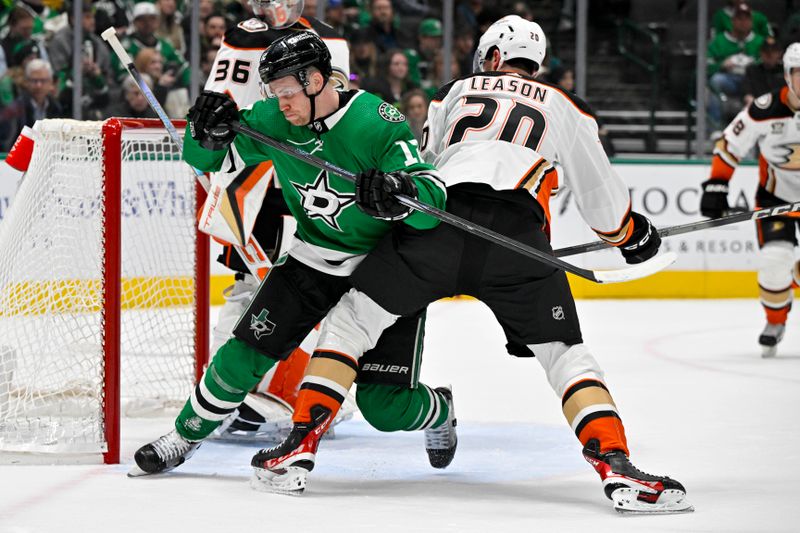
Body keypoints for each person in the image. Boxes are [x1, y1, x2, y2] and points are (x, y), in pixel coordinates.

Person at [256, 15, 693, 514]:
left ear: (489, 58)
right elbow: (607, 212)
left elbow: (422, 168)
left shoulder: (453, 92)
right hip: (515, 236)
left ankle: (296, 450)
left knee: (352, 322)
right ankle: (617, 466)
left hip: (438, 223)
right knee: (565, 354)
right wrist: (635, 237)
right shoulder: (565, 105)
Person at [132, 33, 453, 489]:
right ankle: (183, 437)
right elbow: (204, 160)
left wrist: (401, 194)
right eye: (273, 93)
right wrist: (205, 132)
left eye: (286, 92)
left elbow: (433, 197)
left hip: (384, 269)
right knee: (243, 355)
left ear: (317, 79)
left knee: (385, 407)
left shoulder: (376, 121)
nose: (279, 104)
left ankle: (440, 409)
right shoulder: (273, 119)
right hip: (312, 257)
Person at [199, 0, 351, 441]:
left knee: (317, 292)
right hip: (250, 188)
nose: (273, 5)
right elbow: (216, 105)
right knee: (249, 290)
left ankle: (320, 395)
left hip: (305, 187)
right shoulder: (241, 37)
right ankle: (228, 397)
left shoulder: (327, 36)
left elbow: (334, 110)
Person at [700, 43, 800, 359]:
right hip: (776, 199)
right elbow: (730, 145)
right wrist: (716, 186)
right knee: (773, 262)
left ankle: (793, 279)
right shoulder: (764, 109)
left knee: (788, 270)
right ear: (787, 75)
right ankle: (775, 321)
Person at [707, 3, 766, 131]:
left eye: (747, 19)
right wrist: (721, 64)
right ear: (732, 21)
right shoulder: (719, 40)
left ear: (751, 21)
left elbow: (770, 62)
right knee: (716, 81)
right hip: (730, 80)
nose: (743, 22)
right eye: (739, 18)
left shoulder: (760, 41)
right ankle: (715, 129)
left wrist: (754, 66)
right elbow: (706, 65)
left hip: (753, 82)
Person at [742, 37, 784, 106]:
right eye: (766, 51)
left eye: (773, 51)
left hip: (782, 108)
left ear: (779, 53)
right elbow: (747, 94)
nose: (769, 55)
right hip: (759, 107)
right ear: (760, 52)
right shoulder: (752, 70)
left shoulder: (786, 71)